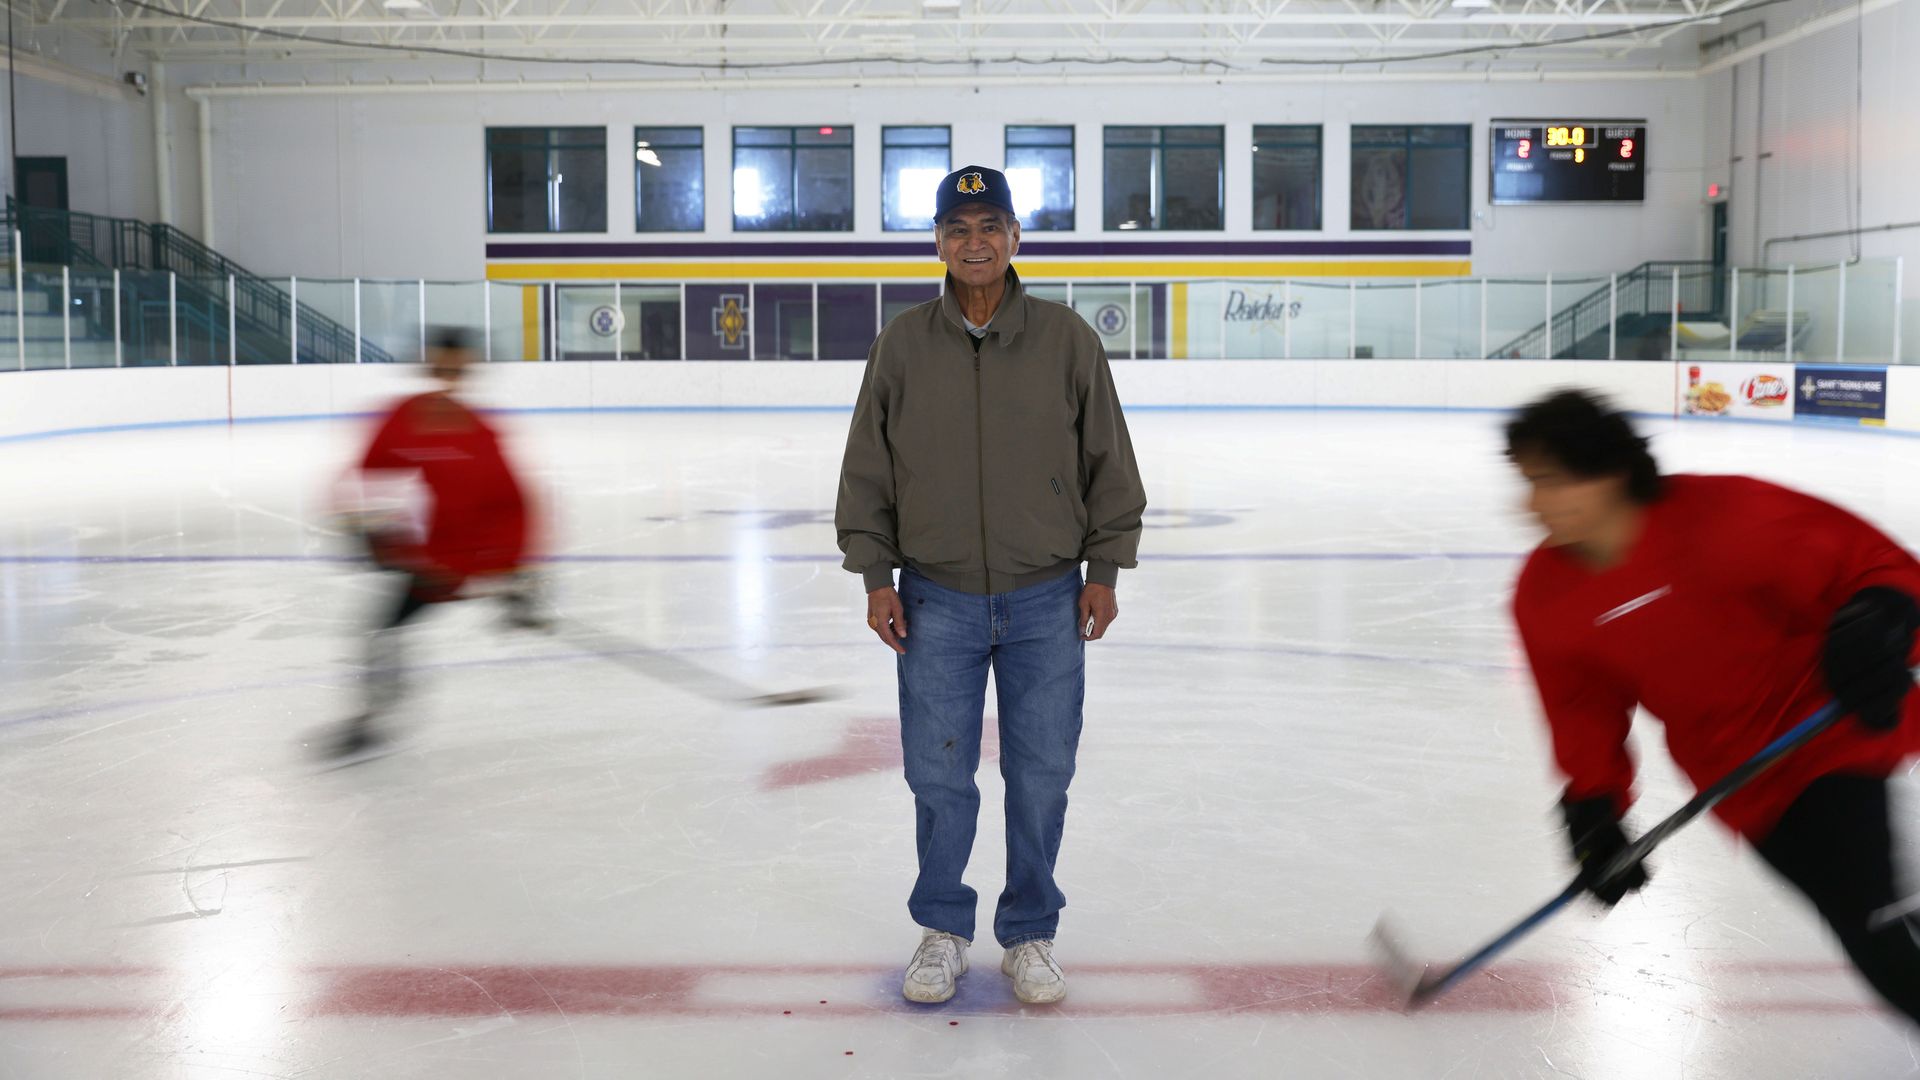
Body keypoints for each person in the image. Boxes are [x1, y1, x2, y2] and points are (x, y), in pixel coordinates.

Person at [1506, 388, 1920, 1023]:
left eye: (1552, 481)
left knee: (1875, 919)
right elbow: (1581, 708)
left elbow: (1874, 567)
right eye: (1529, 482)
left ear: (1612, 472)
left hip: (1829, 729)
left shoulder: (1731, 517)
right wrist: (1594, 811)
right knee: (1863, 915)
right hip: (1740, 778)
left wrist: (1884, 620)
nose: (1533, 505)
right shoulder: (1545, 595)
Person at [835, 165, 1148, 1005]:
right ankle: (942, 929)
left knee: (1042, 772)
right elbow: (867, 471)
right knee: (939, 777)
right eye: (957, 228)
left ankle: (1030, 934)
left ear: (1015, 238)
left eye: (989, 226)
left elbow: (1109, 464)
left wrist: (1104, 569)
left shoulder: (1066, 339)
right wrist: (876, 573)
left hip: (1047, 596)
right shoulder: (901, 345)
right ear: (937, 242)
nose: (973, 243)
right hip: (934, 597)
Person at [325, 327, 544, 759]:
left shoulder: (483, 433)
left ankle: (375, 712)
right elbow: (365, 483)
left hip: (464, 562)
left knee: (383, 632)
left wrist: (516, 575)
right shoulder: (401, 420)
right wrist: (378, 537)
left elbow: (512, 504)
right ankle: (375, 714)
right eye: (441, 367)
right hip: (426, 564)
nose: (448, 378)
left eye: (457, 369)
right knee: (382, 633)